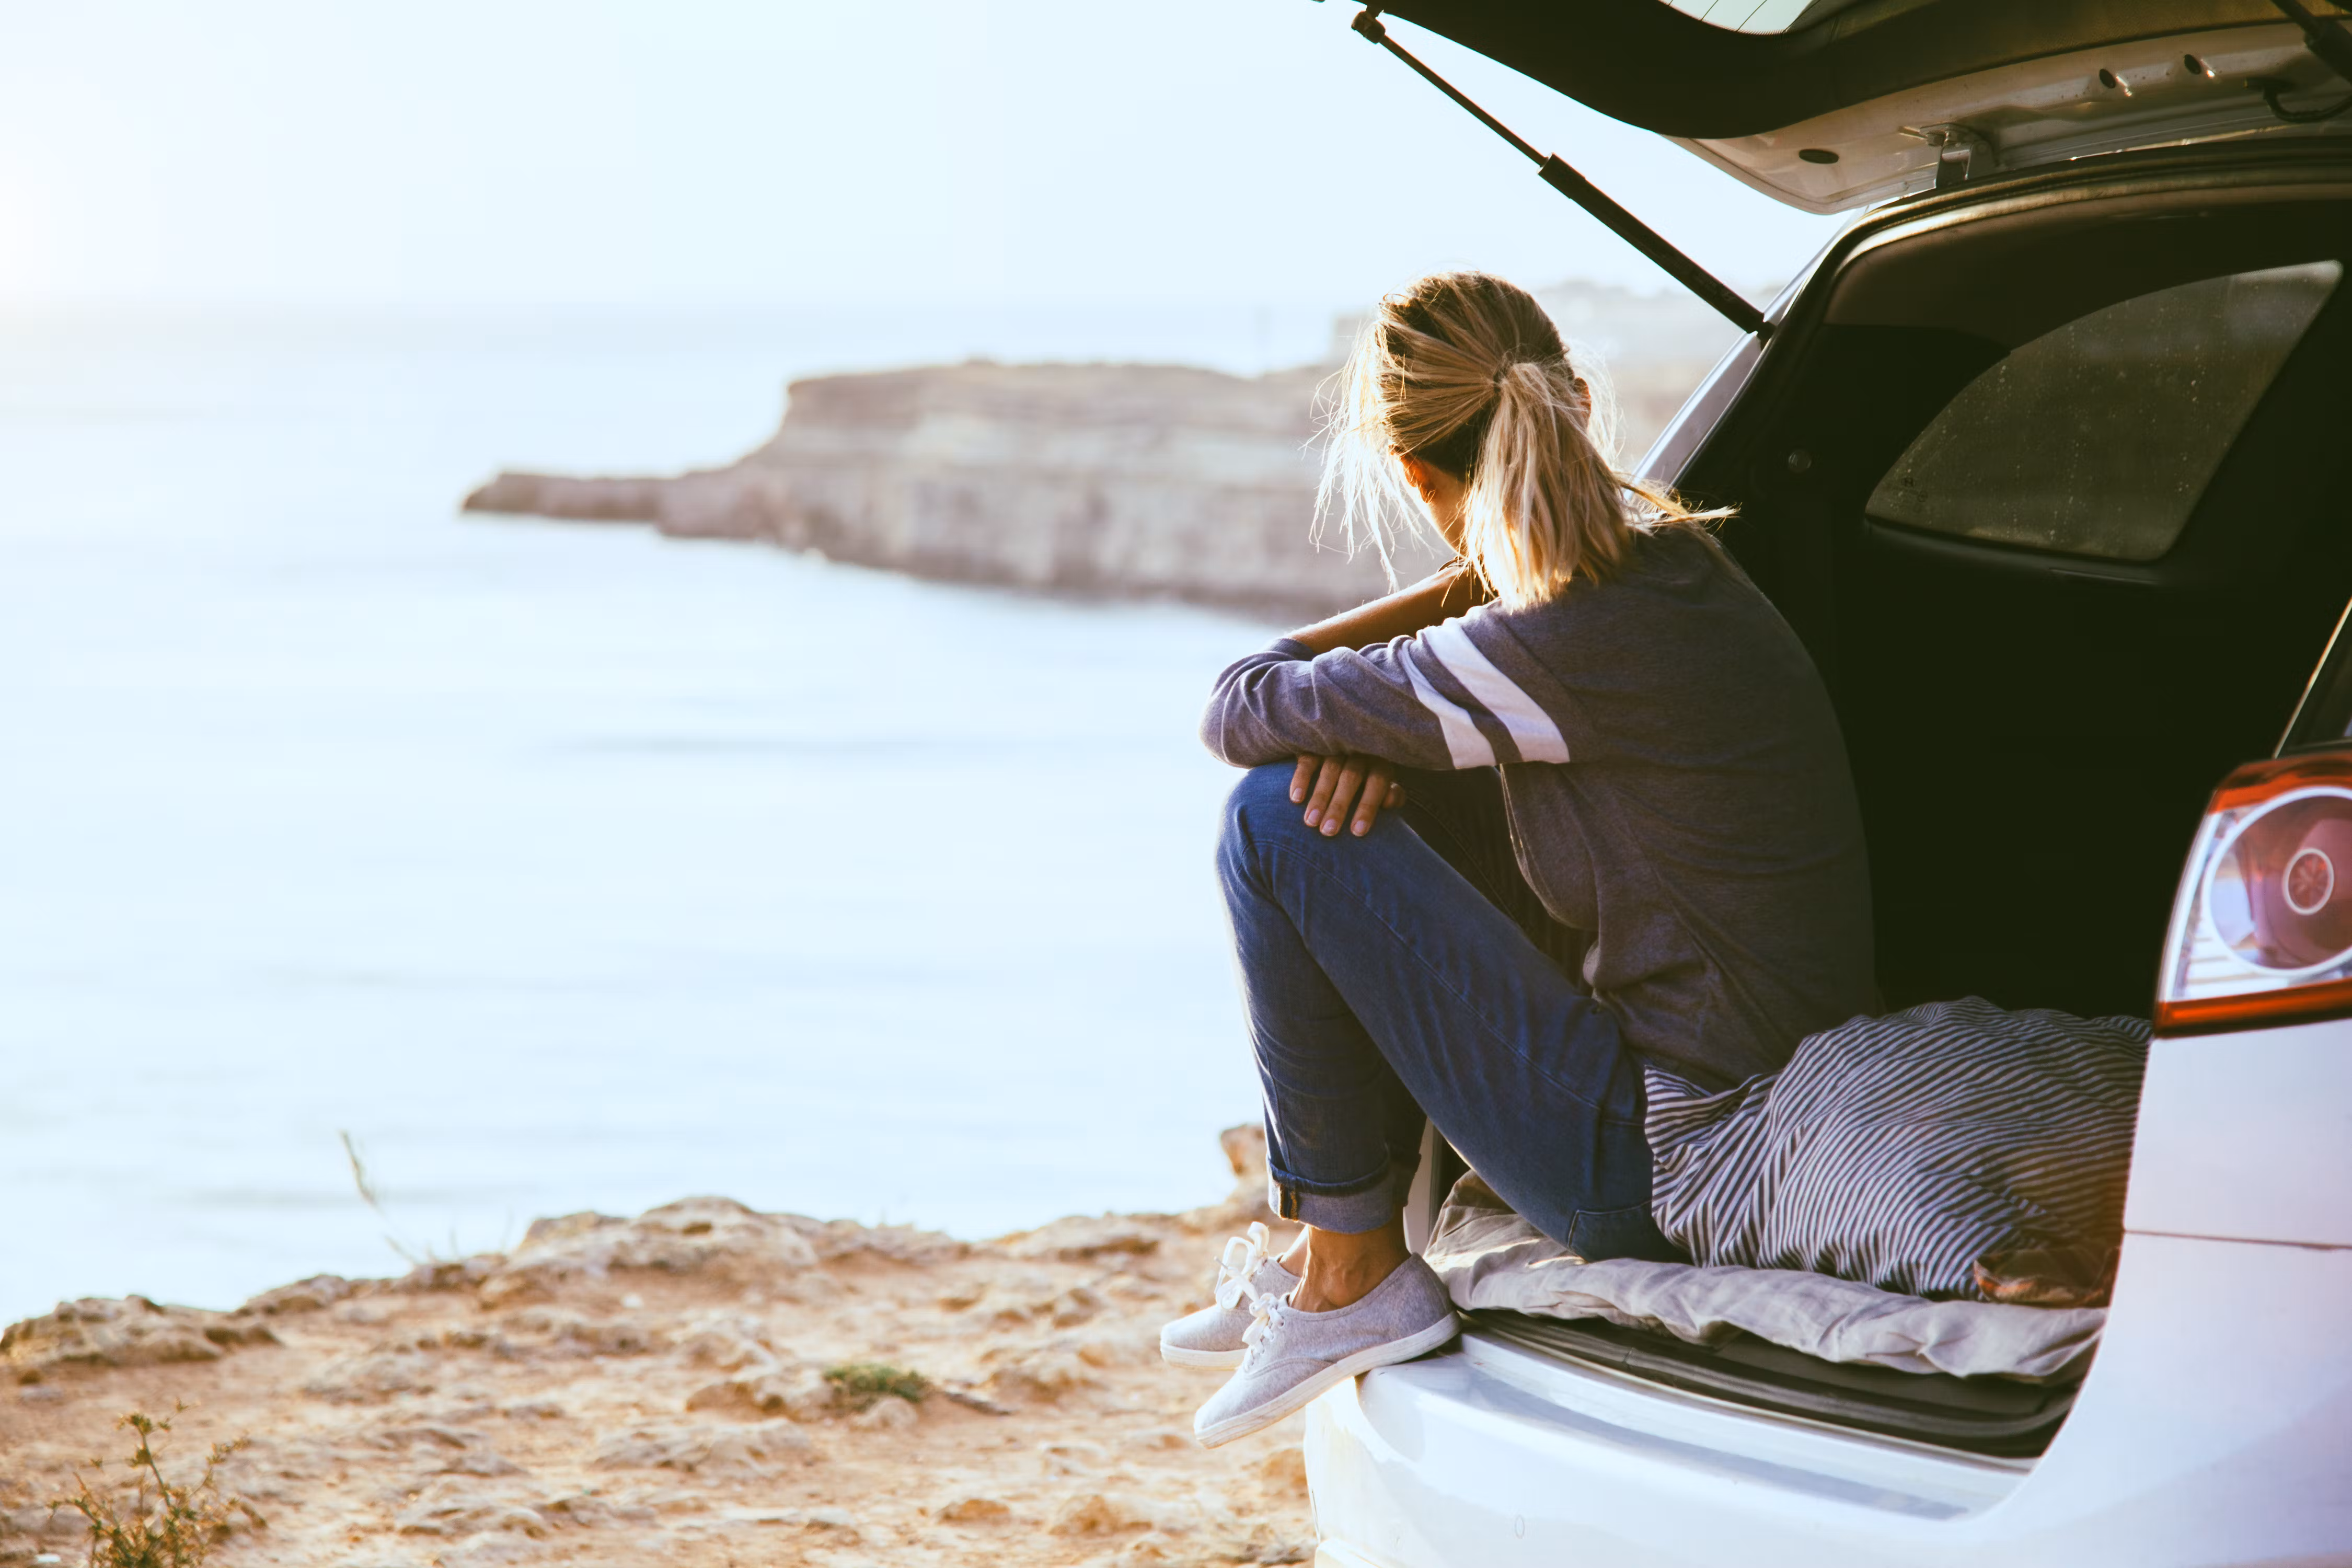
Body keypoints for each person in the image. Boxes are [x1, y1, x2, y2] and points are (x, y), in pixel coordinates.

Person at [1164, 271, 1877, 1447]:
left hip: (1677, 1159)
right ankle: (1322, 1241)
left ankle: (1349, 1272)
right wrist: (1387, 730)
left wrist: (1461, 591)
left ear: (1413, 476)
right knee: (1337, 790)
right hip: (1760, 1086)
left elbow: (1240, 705)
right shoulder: (1672, 573)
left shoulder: (1557, 637)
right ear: (1578, 404)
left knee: (1275, 818)